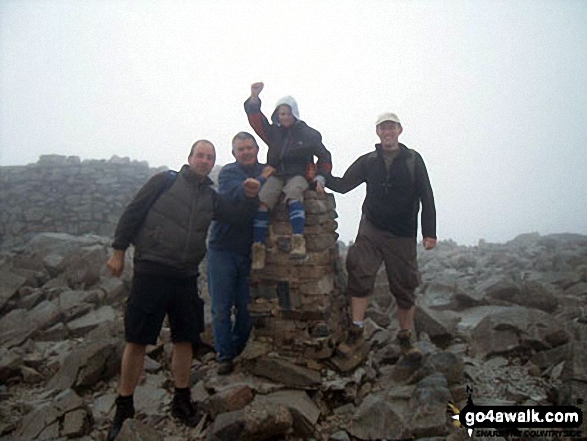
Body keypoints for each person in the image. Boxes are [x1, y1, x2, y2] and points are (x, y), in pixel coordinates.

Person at [105, 140, 261, 441]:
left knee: (185, 340)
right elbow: (133, 212)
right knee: (137, 339)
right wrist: (118, 250)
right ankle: (124, 406)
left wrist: (251, 197)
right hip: (152, 269)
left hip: (185, 275)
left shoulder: (211, 198)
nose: (204, 161)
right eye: (200, 156)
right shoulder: (164, 181)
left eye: (209, 157)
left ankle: (181, 399)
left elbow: (238, 216)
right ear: (189, 158)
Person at [326, 112, 437, 359]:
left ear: (400, 130)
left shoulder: (413, 160)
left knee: (405, 284)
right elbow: (344, 184)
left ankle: (406, 338)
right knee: (359, 272)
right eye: (383, 128)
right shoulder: (369, 160)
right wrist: (320, 177)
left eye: (391, 127)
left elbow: (426, 195)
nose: (387, 132)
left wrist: (429, 232)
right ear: (378, 132)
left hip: (403, 232)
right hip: (371, 228)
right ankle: (356, 333)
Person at [244, 81, 332, 269]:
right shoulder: (273, 132)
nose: (284, 117)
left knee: (294, 196)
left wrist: (320, 177)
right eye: (281, 113)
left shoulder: (309, 134)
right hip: (275, 173)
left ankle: (298, 241)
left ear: (294, 113)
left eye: (287, 113)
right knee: (263, 201)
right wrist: (254, 98)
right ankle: (258, 249)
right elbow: (256, 121)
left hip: (298, 173)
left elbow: (324, 156)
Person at [207, 132, 273, 375]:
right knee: (221, 307)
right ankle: (224, 356)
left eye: (249, 147)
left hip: (249, 251)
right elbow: (239, 194)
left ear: (257, 149)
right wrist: (261, 179)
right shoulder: (228, 173)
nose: (246, 152)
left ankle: (237, 347)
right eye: (240, 149)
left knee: (246, 307)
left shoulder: (268, 169)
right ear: (234, 154)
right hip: (222, 249)